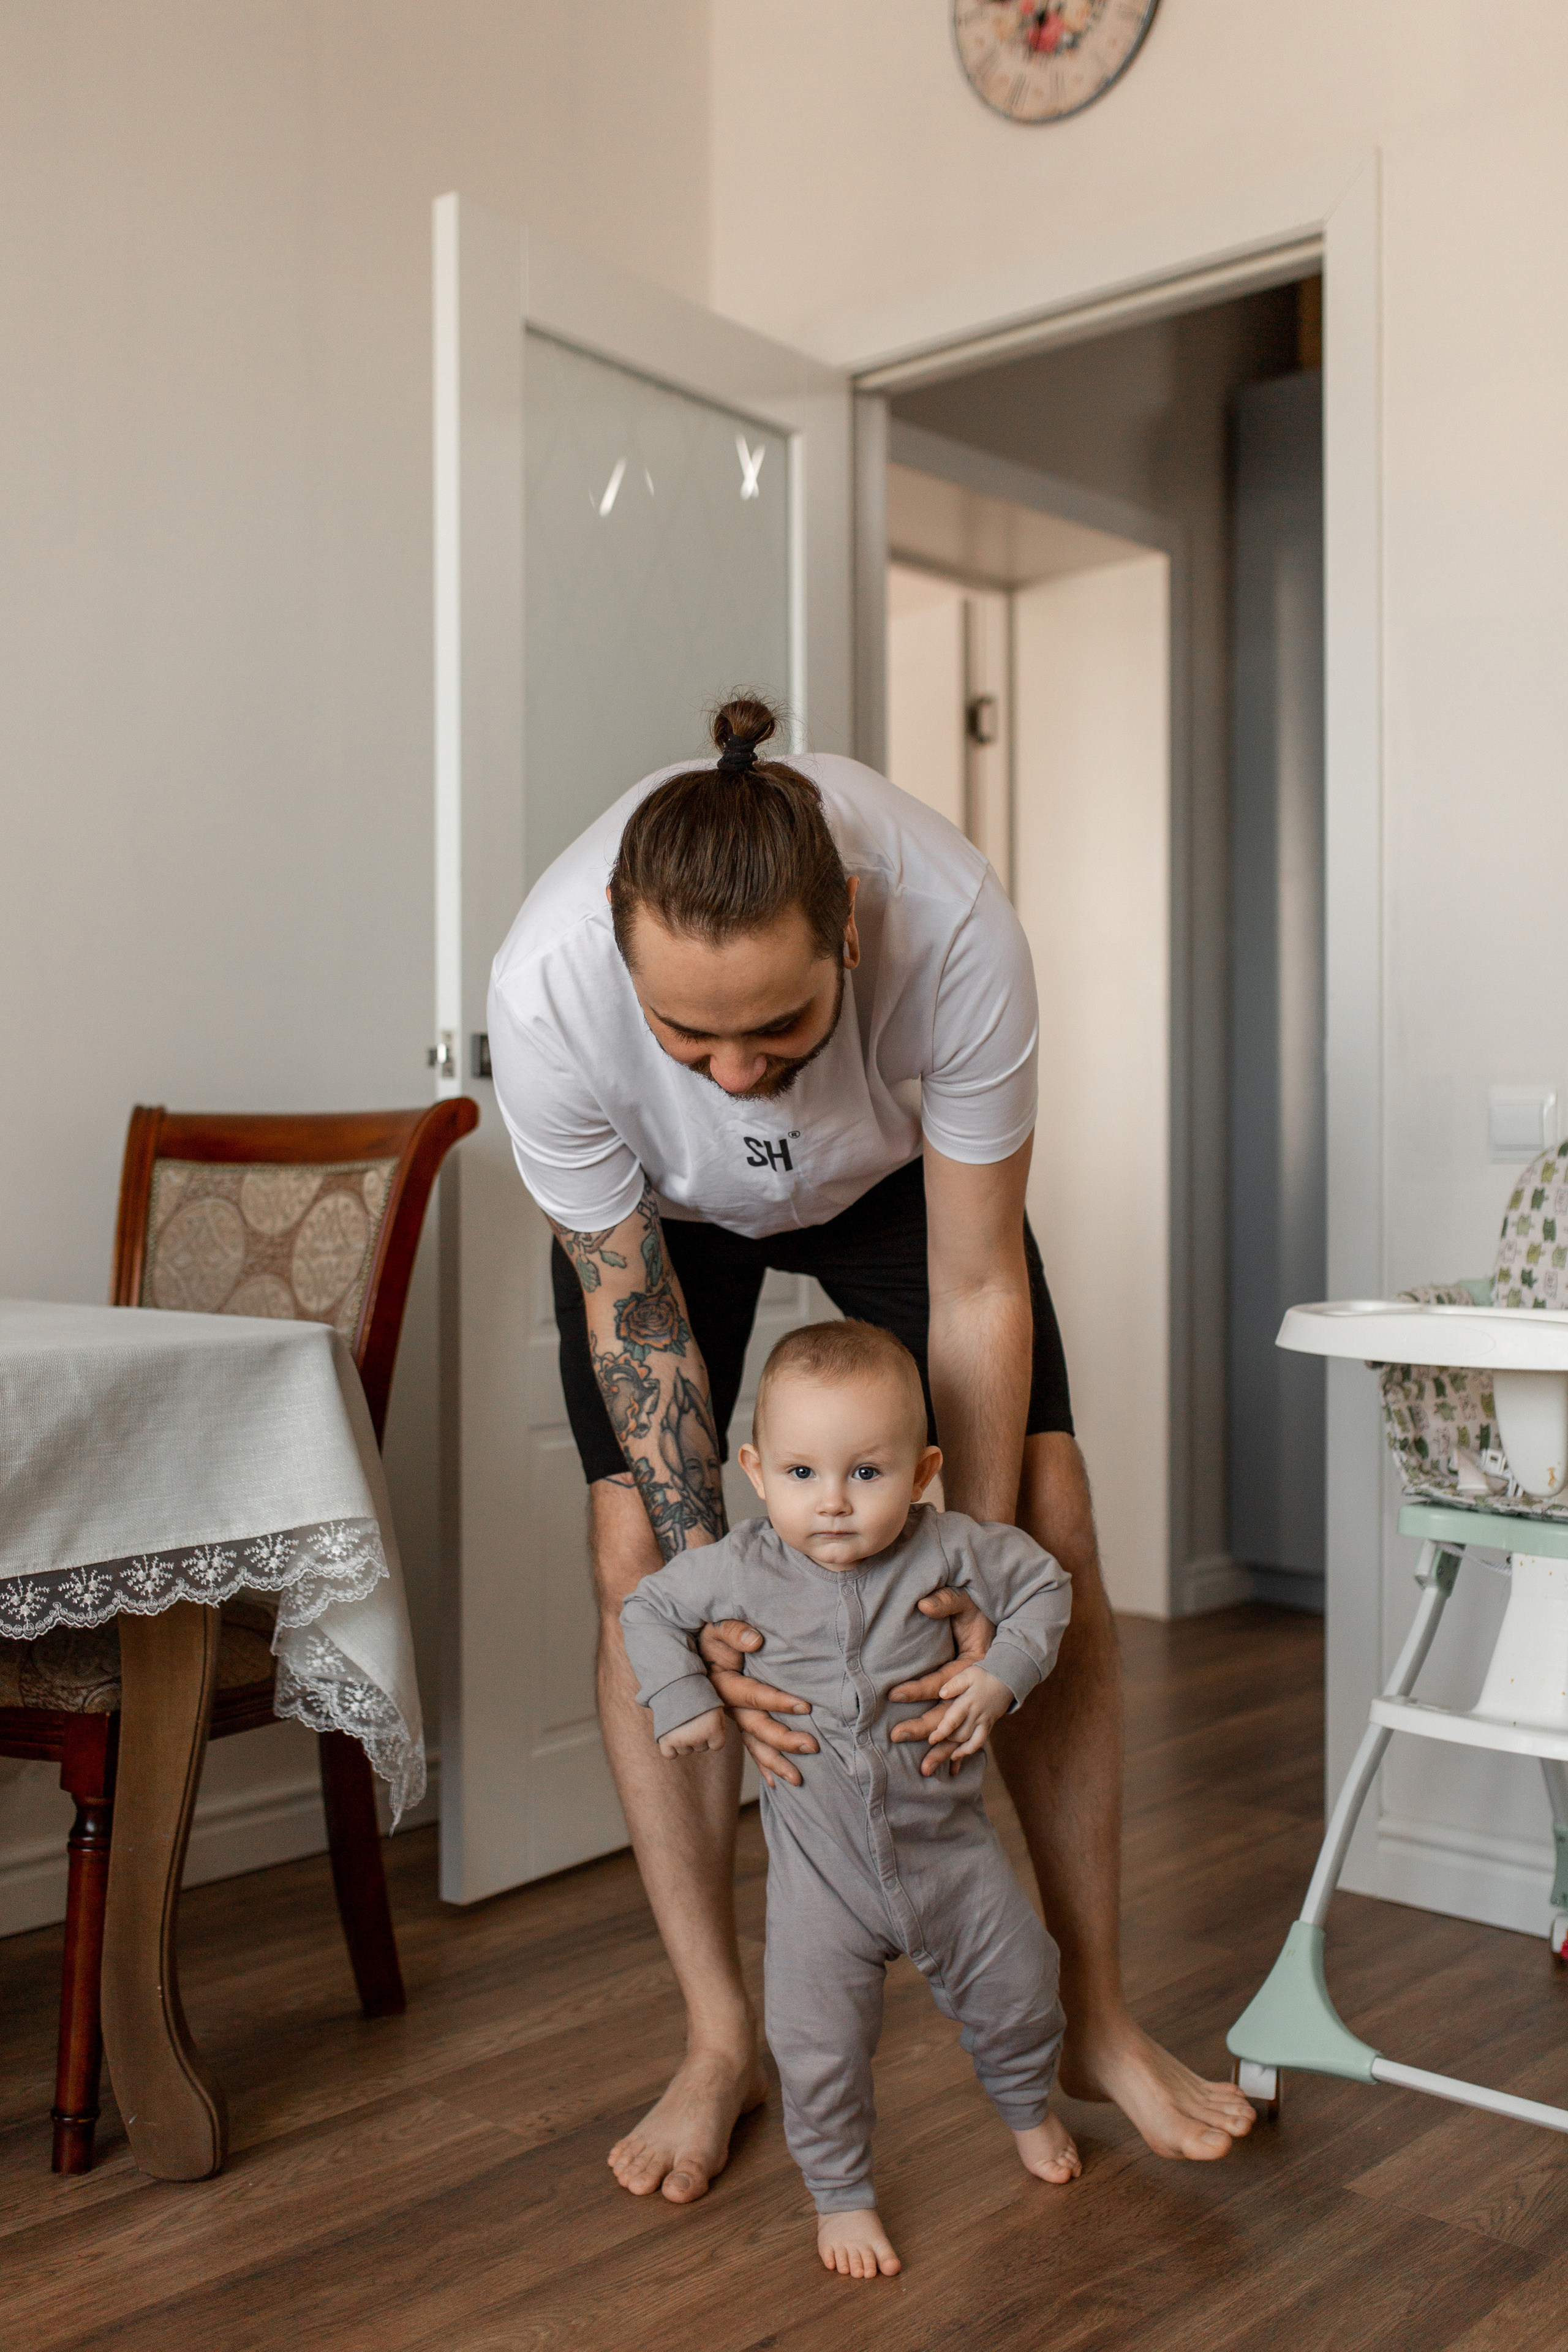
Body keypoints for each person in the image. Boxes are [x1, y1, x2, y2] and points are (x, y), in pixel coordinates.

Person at [486, 692, 1254, 2204]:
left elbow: (976, 1286)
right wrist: (717, 1609)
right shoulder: (547, 986)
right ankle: (720, 2040)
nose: (732, 1074)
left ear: (845, 927)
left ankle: (1095, 2019)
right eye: (686, 1034)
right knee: (638, 1556)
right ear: (621, 958)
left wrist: (966, 1571)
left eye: (775, 1026)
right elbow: (632, 1321)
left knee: (1046, 1515)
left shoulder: (952, 925)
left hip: (891, 1184)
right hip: (661, 1218)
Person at [622, 1319, 1081, 2280]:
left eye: (866, 1473)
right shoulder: (741, 1567)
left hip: (953, 1858)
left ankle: (1029, 2109)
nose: (832, 1501)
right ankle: (841, 2194)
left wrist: (1003, 1672)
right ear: (757, 1472)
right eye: (802, 1473)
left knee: (1024, 1991)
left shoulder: (948, 1548)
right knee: (815, 2045)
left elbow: (1046, 1585)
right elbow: (649, 1606)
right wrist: (683, 1695)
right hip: (820, 1882)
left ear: (923, 1473)